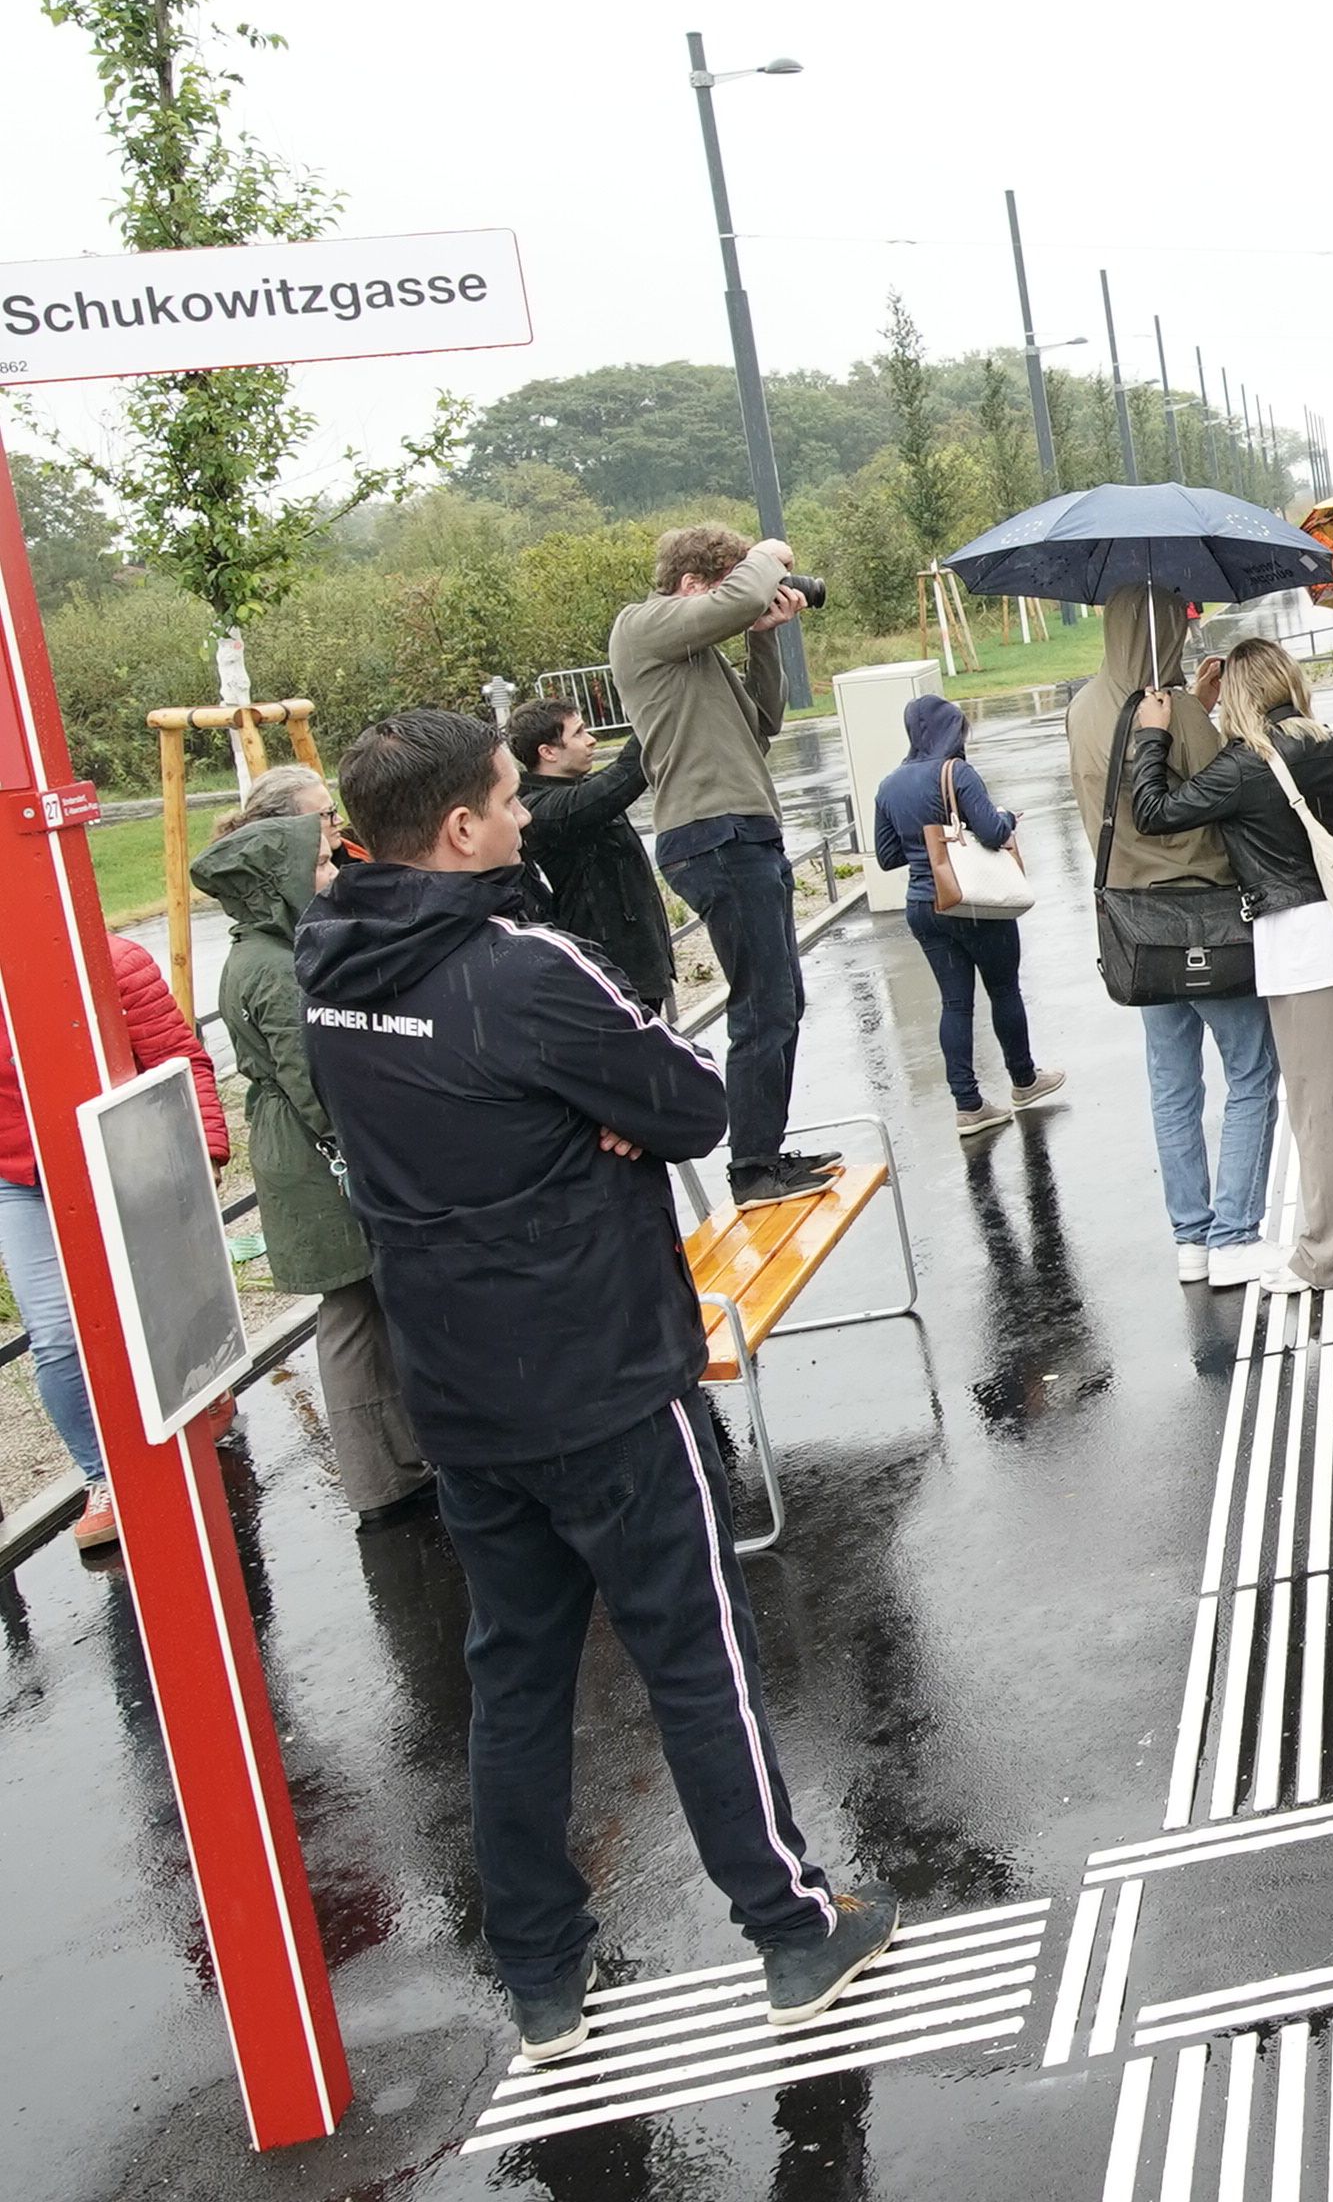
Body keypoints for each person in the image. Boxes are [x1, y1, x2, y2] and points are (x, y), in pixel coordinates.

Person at [297, 707, 898, 2063]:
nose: (524, 817)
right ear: (459, 829)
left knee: (513, 1680)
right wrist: (599, 1117)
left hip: (456, 1390)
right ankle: (795, 1930)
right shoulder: (519, 970)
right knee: (698, 1656)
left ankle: (544, 1980)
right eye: (509, 802)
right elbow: (691, 1103)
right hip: (605, 1375)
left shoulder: (328, 965)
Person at [1127, 637, 1333, 1293]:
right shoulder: (1325, 744)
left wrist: (1155, 735)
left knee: (1324, 1107)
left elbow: (1155, 812)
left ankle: (1327, 1258)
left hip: (1305, 946)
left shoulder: (1243, 766)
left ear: (1236, 694)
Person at [189, 790, 432, 1529]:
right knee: (352, 1313)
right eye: (322, 863)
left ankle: (398, 1461)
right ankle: (379, 1481)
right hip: (314, 1156)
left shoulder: (270, 949)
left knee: (364, 1307)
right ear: (280, 882)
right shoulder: (272, 964)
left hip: (305, 1147)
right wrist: (369, 1150)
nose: (333, 871)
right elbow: (312, 1079)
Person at [607, 525, 835, 1205]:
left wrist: (764, 634)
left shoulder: (697, 659)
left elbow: (764, 721)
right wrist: (764, 562)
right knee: (763, 1005)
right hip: (712, 834)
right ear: (693, 586)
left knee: (782, 1000)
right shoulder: (642, 627)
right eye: (737, 580)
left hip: (744, 831)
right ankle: (753, 1169)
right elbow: (725, 605)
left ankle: (764, 1155)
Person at [1069, 587, 1280, 1288]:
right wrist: (1205, 707)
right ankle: (1234, 1233)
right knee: (1250, 1071)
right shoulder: (1179, 710)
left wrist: (1193, 697)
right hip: (1207, 919)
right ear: (1162, 629)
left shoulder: (1082, 707)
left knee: (1172, 1084)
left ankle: (1189, 1237)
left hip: (1137, 926)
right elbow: (1220, 786)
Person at [0, 932, 228, 1556]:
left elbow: (178, 1059)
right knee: (55, 1333)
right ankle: (103, 1477)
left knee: (160, 1296)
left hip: (124, 1156)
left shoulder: (115, 963)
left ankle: (199, 1383)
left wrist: (202, 1150)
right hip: (23, 1180)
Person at [871, 693, 1065, 1139]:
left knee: (954, 1003)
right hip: (975, 904)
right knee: (1003, 990)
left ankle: (969, 1105)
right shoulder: (956, 772)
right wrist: (1007, 817)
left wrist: (926, 849)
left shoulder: (889, 785)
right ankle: (1023, 1080)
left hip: (924, 904)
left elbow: (885, 856)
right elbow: (994, 834)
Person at [508, 698, 674, 1014]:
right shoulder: (542, 810)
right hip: (608, 973)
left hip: (634, 966)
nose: (591, 739)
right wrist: (656, 706)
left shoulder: (576, 790)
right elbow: (618, 781)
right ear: (548, 752)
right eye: (579, 732)